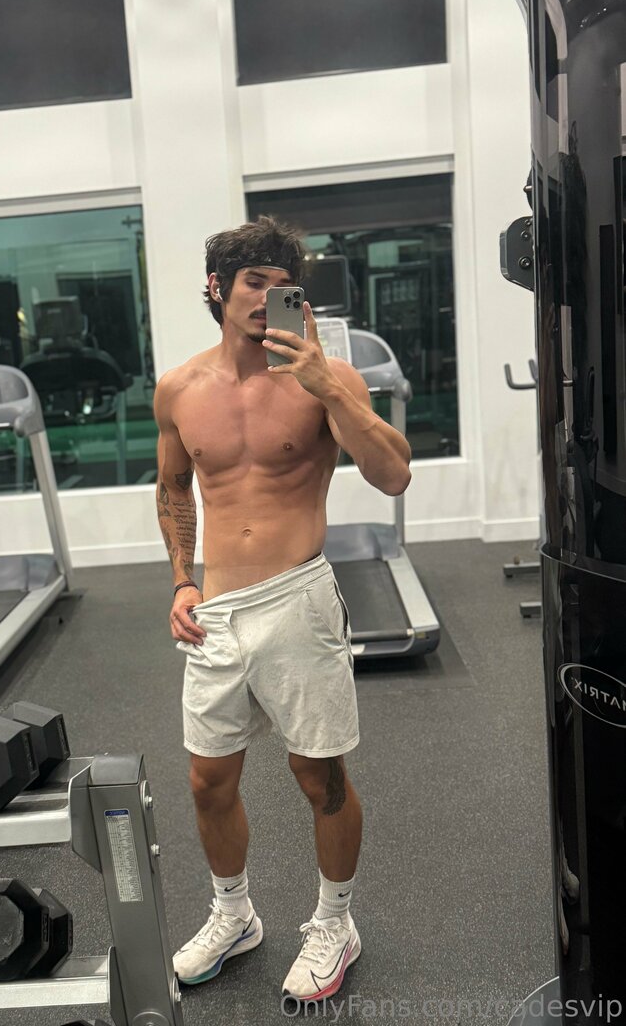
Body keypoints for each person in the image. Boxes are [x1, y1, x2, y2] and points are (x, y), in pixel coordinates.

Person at [154, 216, 411, 1003]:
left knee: (318, 774)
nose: (269, 298)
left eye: (283, 285)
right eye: (254, 282)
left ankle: (335, 922)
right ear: (216, 289)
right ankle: (234, 914)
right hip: (218, 611)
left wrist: (328, 388)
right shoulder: (180, 389)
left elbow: (394, 475)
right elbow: (174, 490)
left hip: (298, 598)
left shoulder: (325, 379)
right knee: (207, 780)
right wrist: (182, 581)